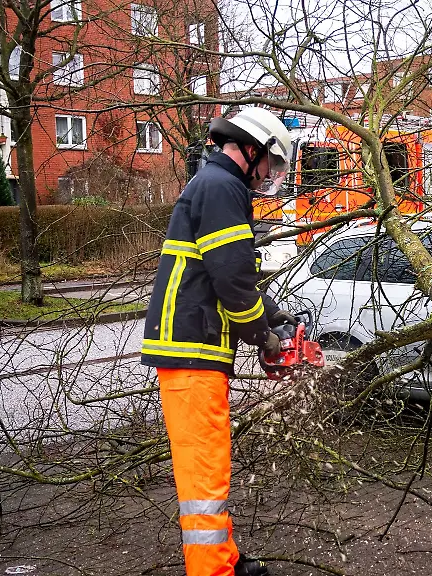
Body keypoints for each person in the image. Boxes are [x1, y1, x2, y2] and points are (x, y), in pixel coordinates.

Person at [141, 107, 297, 576]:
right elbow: (232, 284)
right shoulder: (222, 188)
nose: (269, 175)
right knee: (204, 478)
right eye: (271, 164)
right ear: (252, 150)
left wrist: (276, 315)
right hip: (192, 351)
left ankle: (224, 559)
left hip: (195, 350)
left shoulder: (214, 185)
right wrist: (267, 339)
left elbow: (230, 272)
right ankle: (213, 571)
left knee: (211, 468)